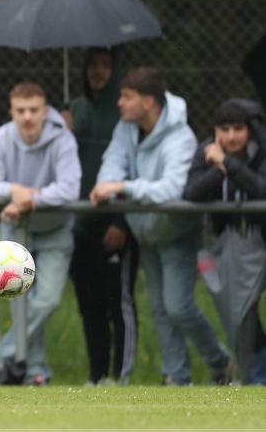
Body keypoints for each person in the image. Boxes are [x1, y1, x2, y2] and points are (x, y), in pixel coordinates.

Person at [91, 67, 230, 385]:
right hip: (146, 233)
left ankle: (220, 361)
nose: (119, 103)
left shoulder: (180, 139)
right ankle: (176, 376)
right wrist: (108, 184)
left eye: (127, 97)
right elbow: (111, 165)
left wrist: (122, 188)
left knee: (179, 306)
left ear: (149, 101)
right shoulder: (126, 129)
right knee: (160, 309)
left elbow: (173, 189)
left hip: (178, 233)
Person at [0, 81, 80, 386]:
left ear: (45, 110)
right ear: (12, 111)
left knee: (46, 301)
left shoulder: (62, 139)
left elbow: (70, 188)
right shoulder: (2, 138)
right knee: (21, 303)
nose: (27, 117)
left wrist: (31, 201)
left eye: (34, 110)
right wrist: (15, 191)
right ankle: (36, 373)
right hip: (15, 233)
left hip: (54, 230)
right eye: (21, 110)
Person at [64, 48, 139, 386]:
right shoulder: (73, 109)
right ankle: (97, 376)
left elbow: (131, 168)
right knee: (89, 305)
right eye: (92, 65)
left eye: (105, 65)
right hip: (79, 222)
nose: (98, 71)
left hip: (112, 222)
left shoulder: (124, 114)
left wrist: (121, 221)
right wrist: (62, 129)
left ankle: (119, 376)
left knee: (116, 303)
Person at [183, 98, 266, 384]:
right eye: (225, 129)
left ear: (250, 130)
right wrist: (218, 168)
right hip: (228, 245)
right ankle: (255, 376)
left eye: (239, 129)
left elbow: (260, 189)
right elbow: (191, 192)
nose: (232, 136)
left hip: (260, 241)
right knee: (239, 315)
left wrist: (228, 163)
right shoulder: (208, 152)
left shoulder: (261, 151)